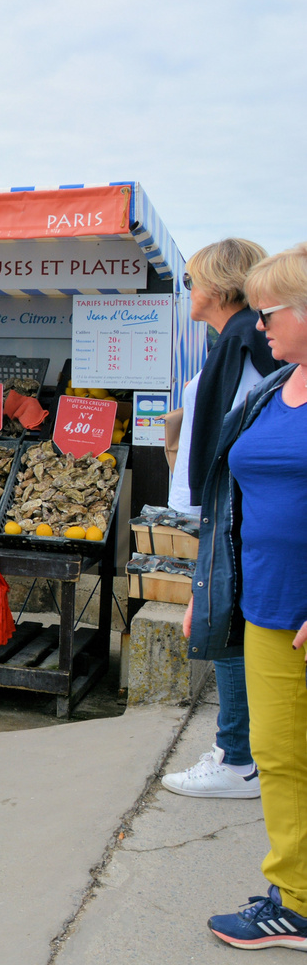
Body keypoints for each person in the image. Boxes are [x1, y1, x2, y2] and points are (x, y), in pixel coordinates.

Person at [194, 245, 307, 949]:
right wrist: (207, 590)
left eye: (269, 311)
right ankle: (294, 901)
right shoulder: (279, 387)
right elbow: (231, 497)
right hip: (265, 604)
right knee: (279, 753)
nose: (258, 325)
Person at [163, 238, 278, 800]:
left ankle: (238, 759)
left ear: (217, 284)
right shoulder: (236, 342)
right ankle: (239, 750)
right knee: (227, 621)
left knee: (225, 623)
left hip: (236, 507)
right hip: (230, 504)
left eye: (190, 281)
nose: (187, 291)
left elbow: (249, 429)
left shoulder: (248, 343)